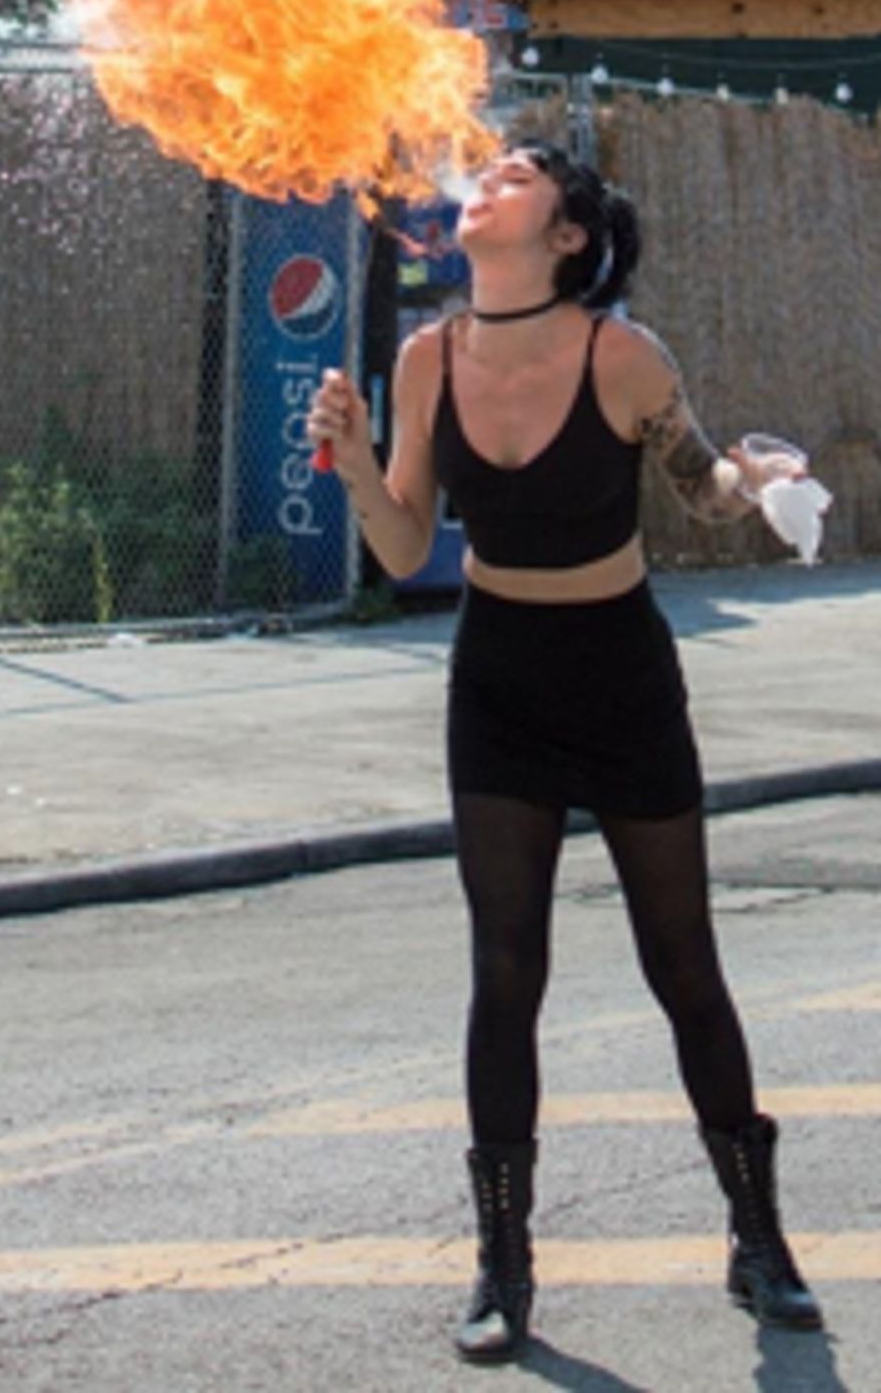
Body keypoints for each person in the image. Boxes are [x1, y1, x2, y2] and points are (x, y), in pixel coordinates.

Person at [306, 141, 823, 1363]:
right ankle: (503, 1264)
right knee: (504, 972)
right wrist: (353, 459)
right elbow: (399, 544)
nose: (485, 178)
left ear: (565, 238)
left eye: (518, 174)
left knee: (681, 964)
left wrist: (759, 478)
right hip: (498, 678)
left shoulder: (620, 354)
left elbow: (699, 492)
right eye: (483, 169)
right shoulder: (424, 357)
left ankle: (758, 1241)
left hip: (620, 671)